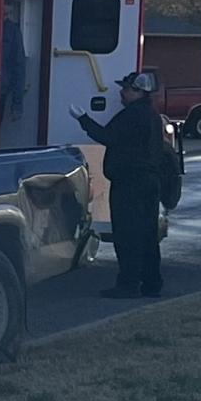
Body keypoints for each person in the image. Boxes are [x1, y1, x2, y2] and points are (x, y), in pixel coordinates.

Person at [69, 72, 163, 299]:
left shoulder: (131, 115)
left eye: (127, 89)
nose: (121, 93)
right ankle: (152, 284)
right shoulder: (152, 115)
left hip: (130, 183)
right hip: (150, 182)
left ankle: (128, 285)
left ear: (139, 91)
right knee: (148, 234)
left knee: (127, 234)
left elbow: (107, 136)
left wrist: (83, 118)